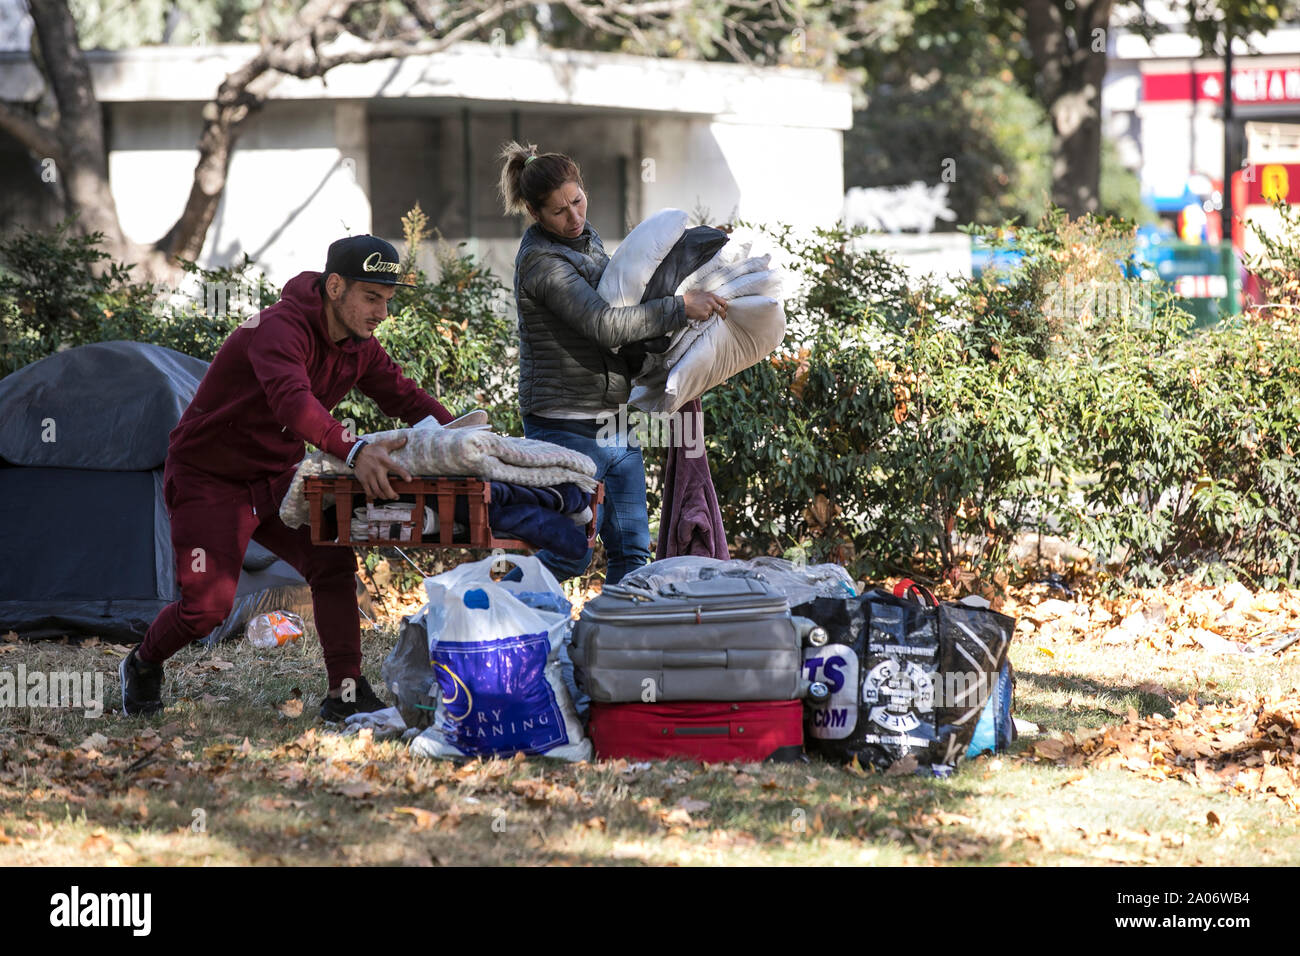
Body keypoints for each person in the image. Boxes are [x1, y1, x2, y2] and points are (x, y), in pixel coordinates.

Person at [120, 235, 460, 720]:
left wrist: (466, 441)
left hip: (277, 476)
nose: (382, 312)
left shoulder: (359, 345)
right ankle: (143, 661)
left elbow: (404, 396)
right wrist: (354, 449)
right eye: (372, 297)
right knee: (207, 610)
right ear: (335, 286)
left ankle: (345, 694)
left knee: (332, 563)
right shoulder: (276, 328)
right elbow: (292, 401)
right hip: (208, 479)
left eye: (388, 300)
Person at [498, 141, 728, 585]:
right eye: (559, 211)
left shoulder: (585, 240)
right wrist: (680, 308)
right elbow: (603, 324)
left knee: (632, 551)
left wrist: (693, 258)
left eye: (578, 200)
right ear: (534, 213)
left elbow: (629, 293)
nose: (574, 216)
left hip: (616, 423)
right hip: (564, 426)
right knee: (570, 556)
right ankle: (483, 608)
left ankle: (618, 645)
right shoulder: (542, 262)